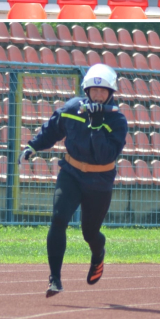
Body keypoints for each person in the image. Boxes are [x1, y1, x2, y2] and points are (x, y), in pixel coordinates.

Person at [21, 64, 128, 298]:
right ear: (86, 90)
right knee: (58, 218)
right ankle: (55, 279)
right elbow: (52, 130)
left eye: (103, 91)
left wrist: (98, 127)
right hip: (71, 173)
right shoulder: (71, 108)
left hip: (100, 180)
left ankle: (98, 253)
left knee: (90, 233)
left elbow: (106, 156)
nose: (98, 95)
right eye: (93, 90)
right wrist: (33, 146)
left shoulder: (117, 120)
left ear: (111, 93)